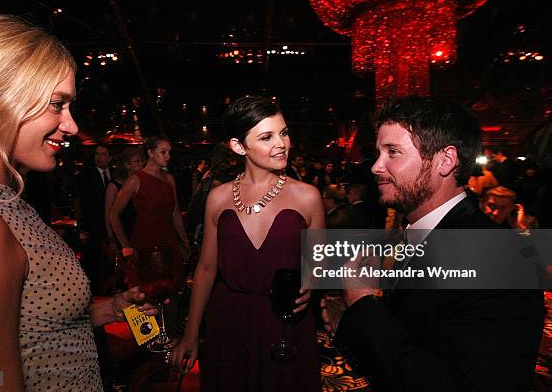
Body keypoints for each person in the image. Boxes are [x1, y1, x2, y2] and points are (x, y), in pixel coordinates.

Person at [0, 14, 159, 391]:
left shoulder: (5, 200)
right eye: (57, 104)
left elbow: (31, 328)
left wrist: (109, 309)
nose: (72, 126)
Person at [321, 97, 544, 391]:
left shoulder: (500, 255)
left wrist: (362, 305)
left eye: (393, 152)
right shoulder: (418, 235)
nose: (376, 166)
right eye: (378, 153)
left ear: (445, 160)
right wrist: (350, 323)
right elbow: (415, 341)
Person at [171, 96, 323, 391]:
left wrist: (313, 282)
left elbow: (318, 262)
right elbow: (205, 269)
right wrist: (190, 334)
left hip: (286, 323)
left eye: (284, 132)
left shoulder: (307, 196)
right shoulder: (218, 197)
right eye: (266, 137)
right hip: (229, 321)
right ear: (239, 146)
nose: (282, 144)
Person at [109, 136, 189, 335]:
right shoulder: (136, 179)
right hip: (145, 244)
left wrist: (185, 242)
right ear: (150, 153)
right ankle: (148, 345)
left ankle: (170, 341)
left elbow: (175, 214)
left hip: (168, 242)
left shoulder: (169, 179)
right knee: (145, 295)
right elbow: (113, 214)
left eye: (169, 152)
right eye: (163, 151)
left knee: (171, 295)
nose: (168, 156)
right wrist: (125, 245)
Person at [103, 147, 144, 292]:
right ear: (126, 165)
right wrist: (112, 240)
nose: (140, 165)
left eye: (141, 161)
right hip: (121, 234)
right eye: (136, 162)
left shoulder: (138, 183)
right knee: (125, 278)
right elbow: (109, 214)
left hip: (135, 233)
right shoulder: (114, 186)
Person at [76, 143, 113, 294]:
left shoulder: (115, 175)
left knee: (109, 264)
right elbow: (80, 202)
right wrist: (81, 228)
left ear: (110, 158)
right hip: (92, 227)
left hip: (110, 226)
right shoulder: (86, 175)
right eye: (97, 154)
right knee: (92, 263)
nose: (99, 157)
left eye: (103, 154)